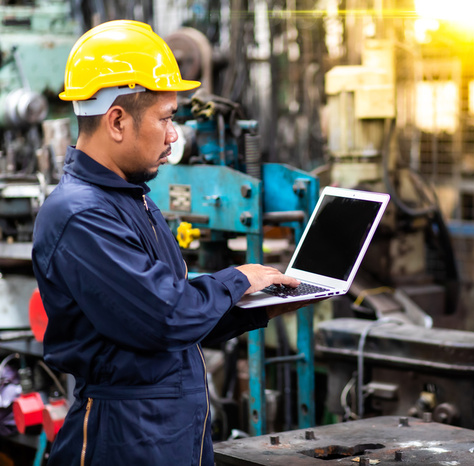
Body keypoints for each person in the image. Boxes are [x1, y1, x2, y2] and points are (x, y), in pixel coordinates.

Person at [32, 20, 313, 465]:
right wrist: (235, 280)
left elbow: (176, 318)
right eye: (165, 119)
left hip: (165, 431)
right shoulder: (82, 214)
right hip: (125, 440)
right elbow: (163, 318)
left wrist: (262, 307)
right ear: (118, 121)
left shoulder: (130, 200)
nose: (173, 135)